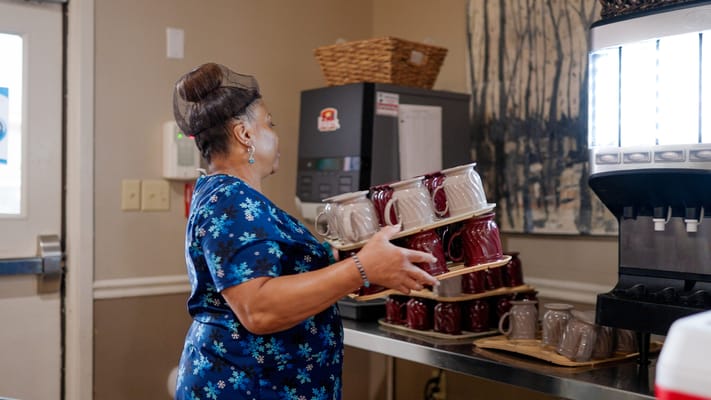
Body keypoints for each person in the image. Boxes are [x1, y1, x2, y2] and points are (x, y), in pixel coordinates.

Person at [172, 62, 439, 400]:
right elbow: (258, 307)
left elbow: (277, 270)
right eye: (269, 124)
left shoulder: (226, 195)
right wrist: (360, 269)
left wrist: (349, 258)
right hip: (249, 387)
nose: (276, 135)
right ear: (245, 135)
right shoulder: (230, 199)